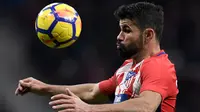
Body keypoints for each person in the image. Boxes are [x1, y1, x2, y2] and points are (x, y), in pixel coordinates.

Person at [15, 2, 179, 112]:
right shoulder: (128, 67)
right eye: (120, 29)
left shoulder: (158, 66)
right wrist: (45, 88)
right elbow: (93, 91)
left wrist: (88, 109)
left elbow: (146, 105)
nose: (119, 36)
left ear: (148, 35)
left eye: (127, 30)